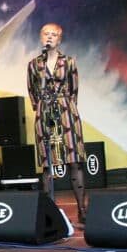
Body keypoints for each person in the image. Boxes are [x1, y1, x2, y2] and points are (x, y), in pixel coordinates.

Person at [27, 23, 87, 223]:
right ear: (40, 37)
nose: (50, 37)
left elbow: (74, 90)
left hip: (66, 111)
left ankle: (82, 209)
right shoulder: (34, 64)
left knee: (74, 160)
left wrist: (67, 107)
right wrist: (42, 107)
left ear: (59, 39)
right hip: (45, 112)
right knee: (48, 163)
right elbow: (32, 92)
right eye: (46, 34)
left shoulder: (69, 62)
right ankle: (49, 212)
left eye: (54, 35)